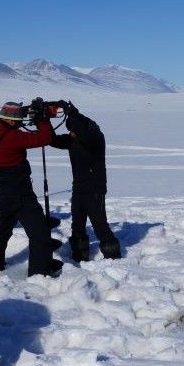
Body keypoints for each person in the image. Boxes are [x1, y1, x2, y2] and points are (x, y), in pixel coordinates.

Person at [0, 99, 64, 276]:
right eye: (18, 121)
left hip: (2, 191)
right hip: (19, 193)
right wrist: (42, 120)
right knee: (39, 232)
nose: (20, 124)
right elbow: (45, 138)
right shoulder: (13, 137)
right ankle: (40, 272)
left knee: (4, 229)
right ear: (11, 121)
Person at [59, 102, 121, 261]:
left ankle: (113, 258)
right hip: (79, 188)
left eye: (73, 130)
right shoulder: (74, 139)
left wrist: (74, 114)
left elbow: (86, 137)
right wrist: (43, 122)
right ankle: (79, 255)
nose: (71, 134)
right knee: (77, 226)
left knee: (100, 225)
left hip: (95, 189)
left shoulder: (95, 137)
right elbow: (52, 140)